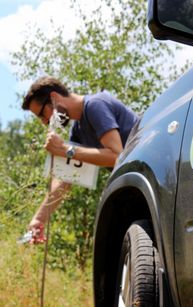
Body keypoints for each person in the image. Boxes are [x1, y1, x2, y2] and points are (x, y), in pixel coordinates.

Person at [22, 76, 138, 239]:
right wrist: (39, 219)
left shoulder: (95, 105)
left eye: (42, 114)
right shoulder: (78, 129)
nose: (45, 122)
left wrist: (66, 150)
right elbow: (65, 179)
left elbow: (117, 156)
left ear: (54, 98)